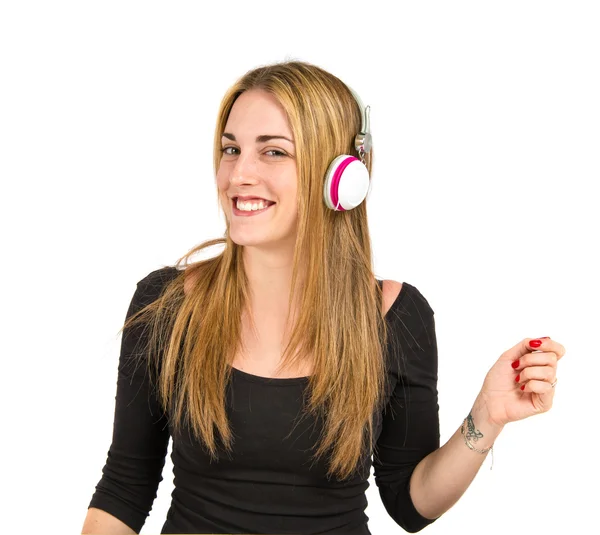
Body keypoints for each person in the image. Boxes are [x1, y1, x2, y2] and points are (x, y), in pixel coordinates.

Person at [81, 60, 566, 535]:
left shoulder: (397, 318)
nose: (237, 175)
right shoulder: (167, 306)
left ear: (342, 178)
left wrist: (487, 416)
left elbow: (410, 504)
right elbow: (126, 487)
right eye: (231, 149)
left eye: (273, 152)